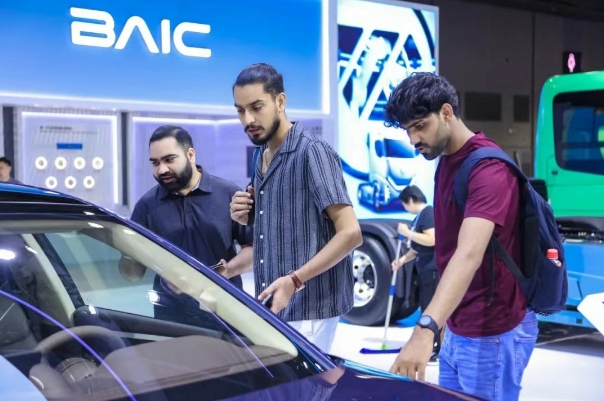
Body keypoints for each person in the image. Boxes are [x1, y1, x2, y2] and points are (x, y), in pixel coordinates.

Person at [383, 72, 536, 401]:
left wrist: (424, 329)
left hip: (492, 331)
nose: (413, 139)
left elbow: (468, 254)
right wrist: (441, 322)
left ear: (447, 112)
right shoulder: (447, 162)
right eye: (407, 129)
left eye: (420, 126)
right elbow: (449, 250)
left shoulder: (487, 169)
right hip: (458, 325)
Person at [228, 63, 363, 353]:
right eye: (240, 110)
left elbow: (351, 233)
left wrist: (295, 280)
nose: (248, 119)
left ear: (280, 101)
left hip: (310, 309)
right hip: (274, 305)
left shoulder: (312, 151)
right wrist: (248, 215)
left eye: (256, 107)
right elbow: (286, 218)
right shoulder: (261, 155)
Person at [123, 125, 253, 327]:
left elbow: (253, 248)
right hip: (171, 318)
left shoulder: (228, 194)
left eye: (169, 160)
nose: (161, 170)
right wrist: (126, 250)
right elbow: (132, 274)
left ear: (190, 155)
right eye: (155, 163)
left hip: (227, 312)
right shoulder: (146, 206)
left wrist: (226, 272)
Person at [390, 185, 439, 364]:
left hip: (432, 268)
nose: (405, 208)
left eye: (404, 204)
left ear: (410, 200)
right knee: (426, 307)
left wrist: (407, 233)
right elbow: (419, 246)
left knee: (432, 309)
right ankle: (430, 346)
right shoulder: (419, 217)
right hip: (424, 268)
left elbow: (432, 239)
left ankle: (435, 347)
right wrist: (402, 259)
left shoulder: (428, 213)